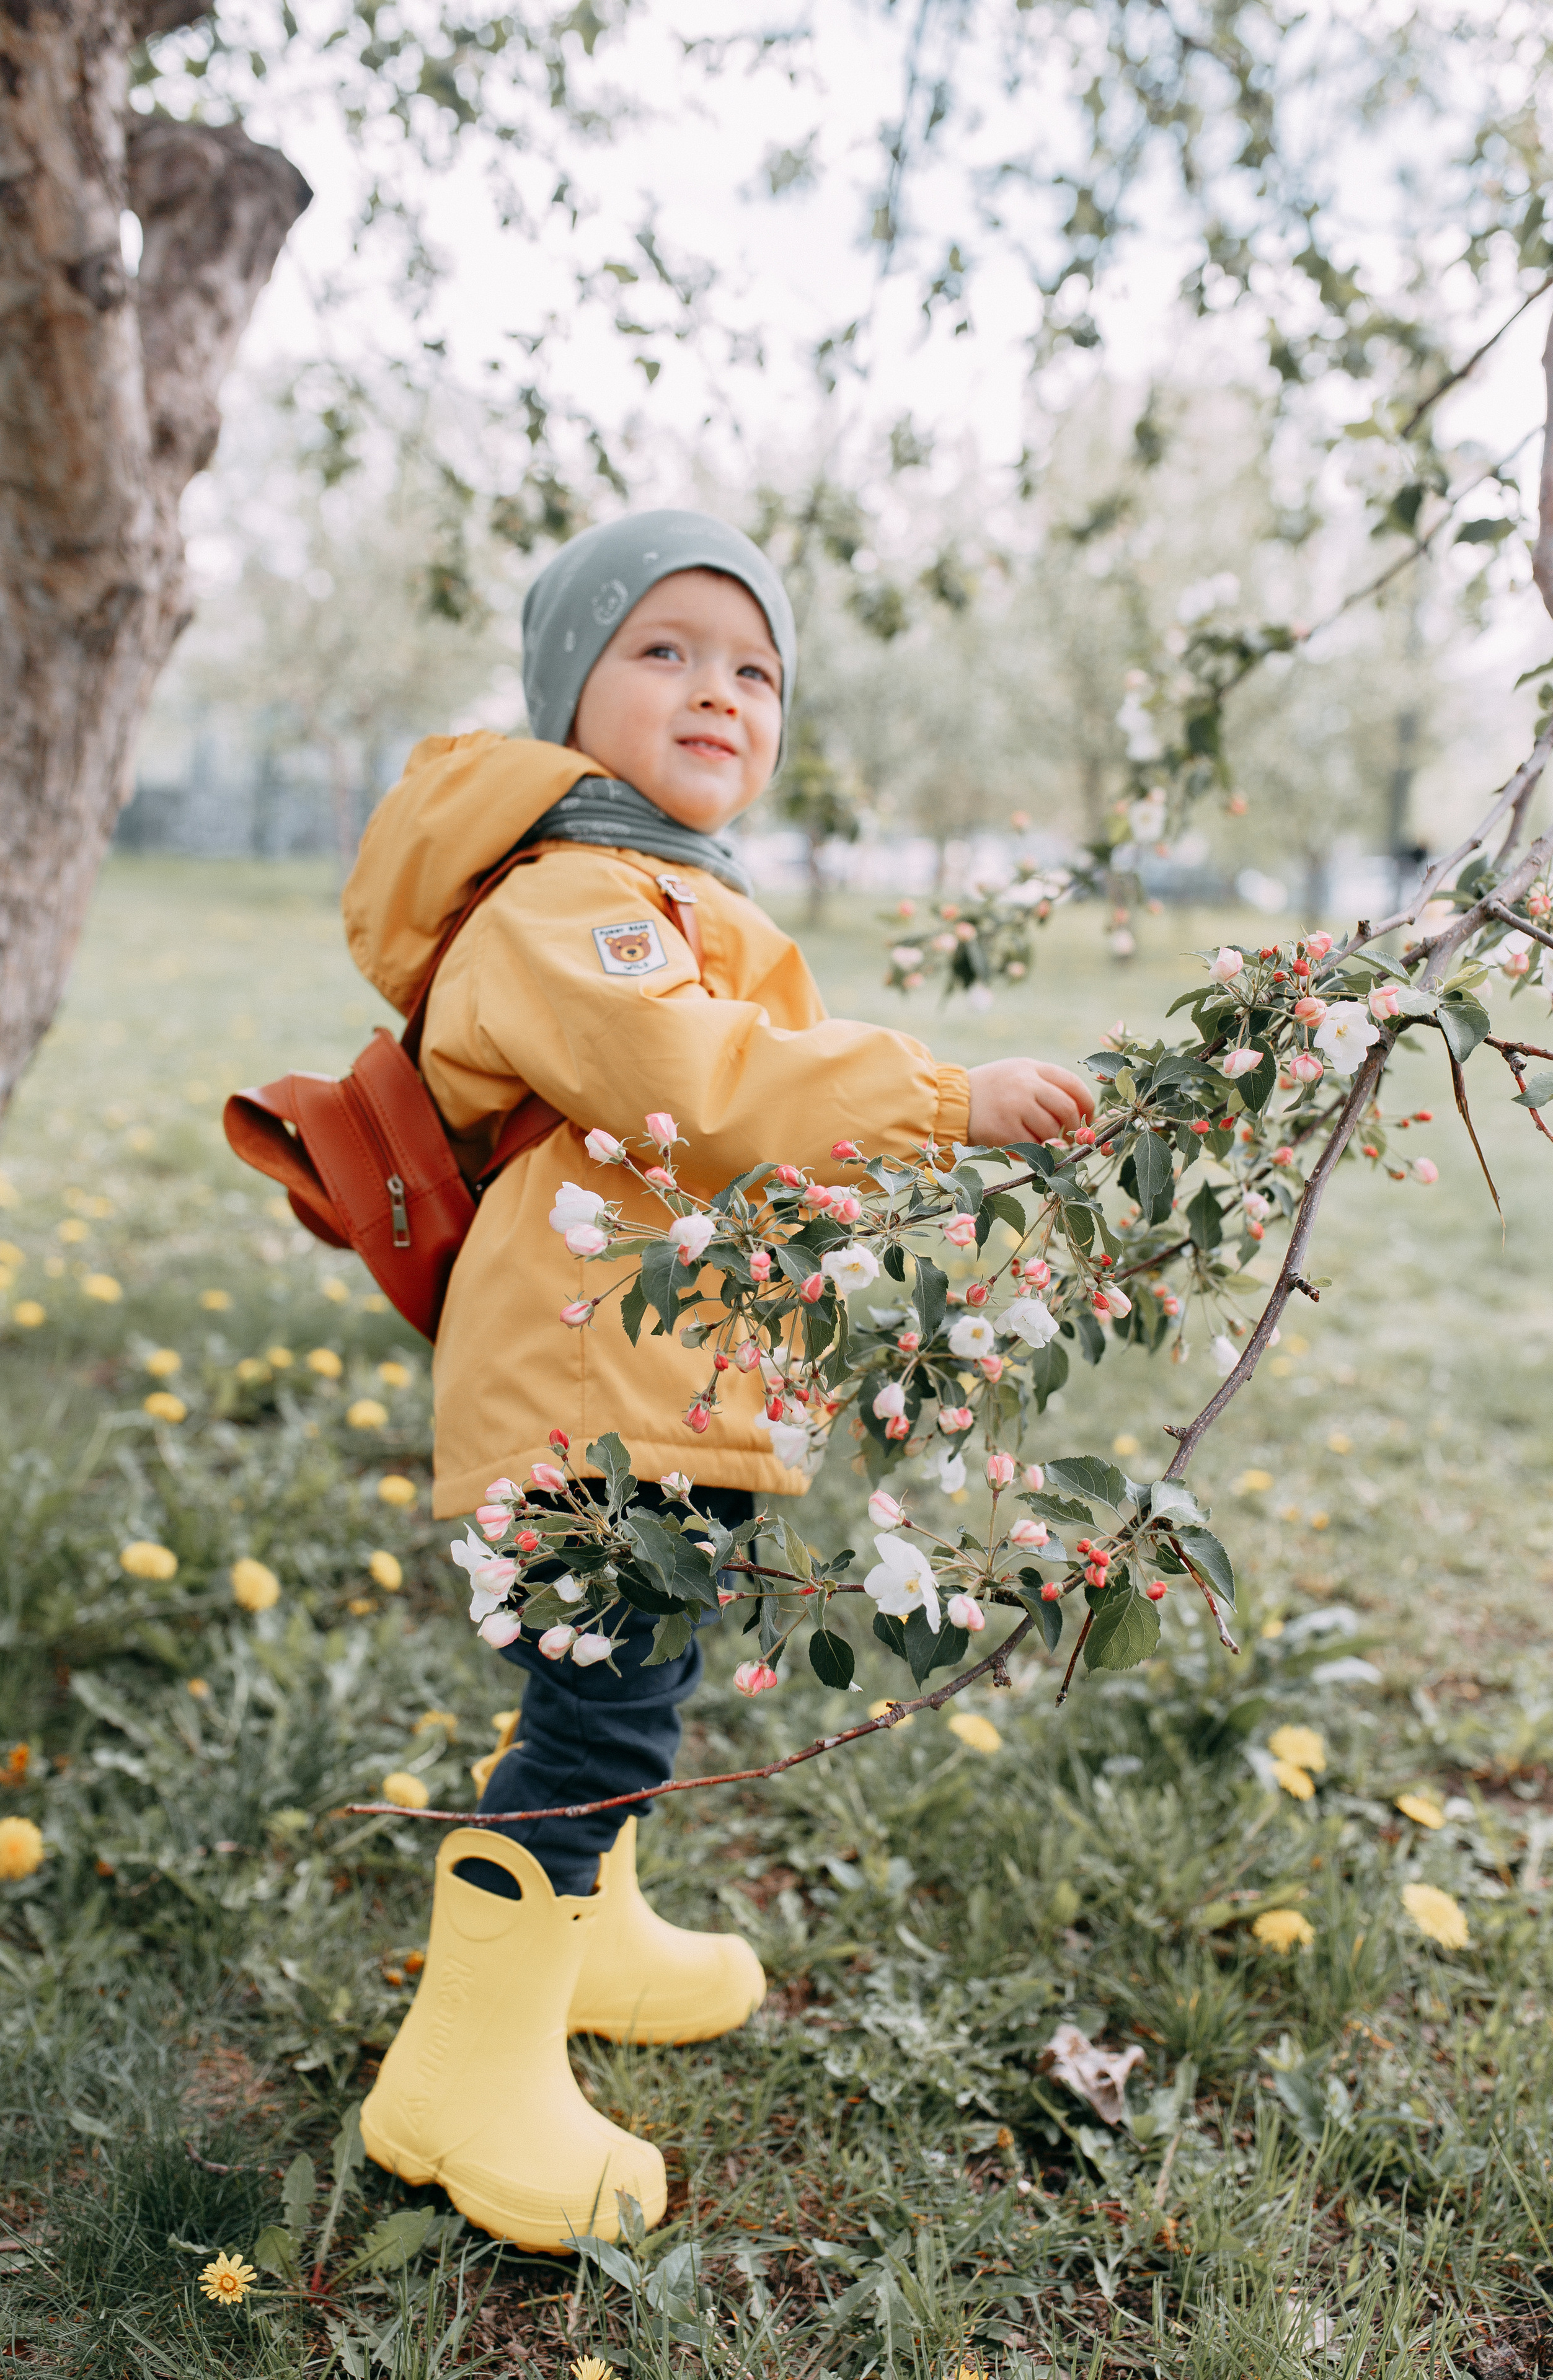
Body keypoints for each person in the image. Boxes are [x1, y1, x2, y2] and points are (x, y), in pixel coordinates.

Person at [346, 510, 1095, 2247]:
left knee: (640, 1681)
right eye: (664, 651)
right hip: (582, 1380)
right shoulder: (573, 896)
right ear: (570, 692)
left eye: (754, 668)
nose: (719, 691)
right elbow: (704, 1079)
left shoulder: (667, 884)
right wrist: (941, 1096)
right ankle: (458, 2074)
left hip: (652, 1372)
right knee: (595, 1713)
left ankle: (589, 1939)